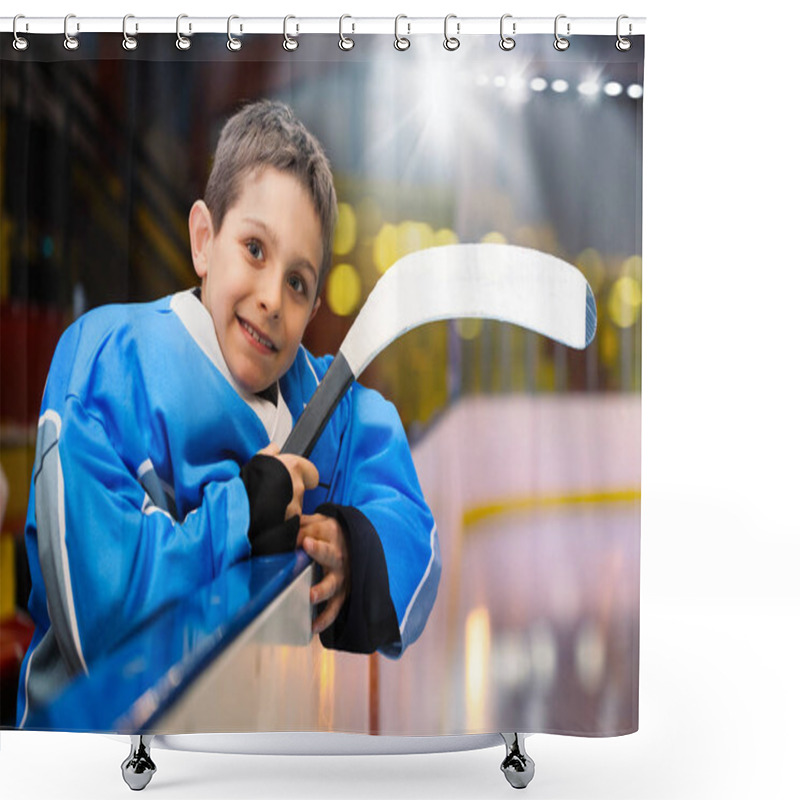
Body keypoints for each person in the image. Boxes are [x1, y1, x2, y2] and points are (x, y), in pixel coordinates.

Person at [17, 100, 441, 727]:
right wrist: (242, 514)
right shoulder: (107, 364)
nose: (272, 298)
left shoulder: (321, 404)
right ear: (203, 239)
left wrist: (353, 552)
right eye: (253, 248)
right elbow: (103, 617)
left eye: (298, 283)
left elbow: (412, 528)